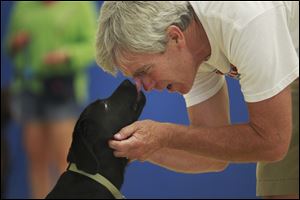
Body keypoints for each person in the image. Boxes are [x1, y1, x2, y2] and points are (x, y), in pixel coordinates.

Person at [95, 2, 299, 199]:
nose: (146, 87)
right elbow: (213, 158)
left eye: (145, 71)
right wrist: (141, 149)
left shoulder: (243, 18)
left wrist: (165, 136)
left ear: (175, 37)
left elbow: (272, 142)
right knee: (280, 186)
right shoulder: (188, 45)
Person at [5, 2, 97, 198]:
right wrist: (15, 43)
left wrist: (68, 54)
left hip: (62, 91)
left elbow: (93, 46)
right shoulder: (23, 5)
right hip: (30, 89)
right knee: (36, 159)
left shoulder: (80, 5)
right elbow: (8, 46)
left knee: (66, 161)